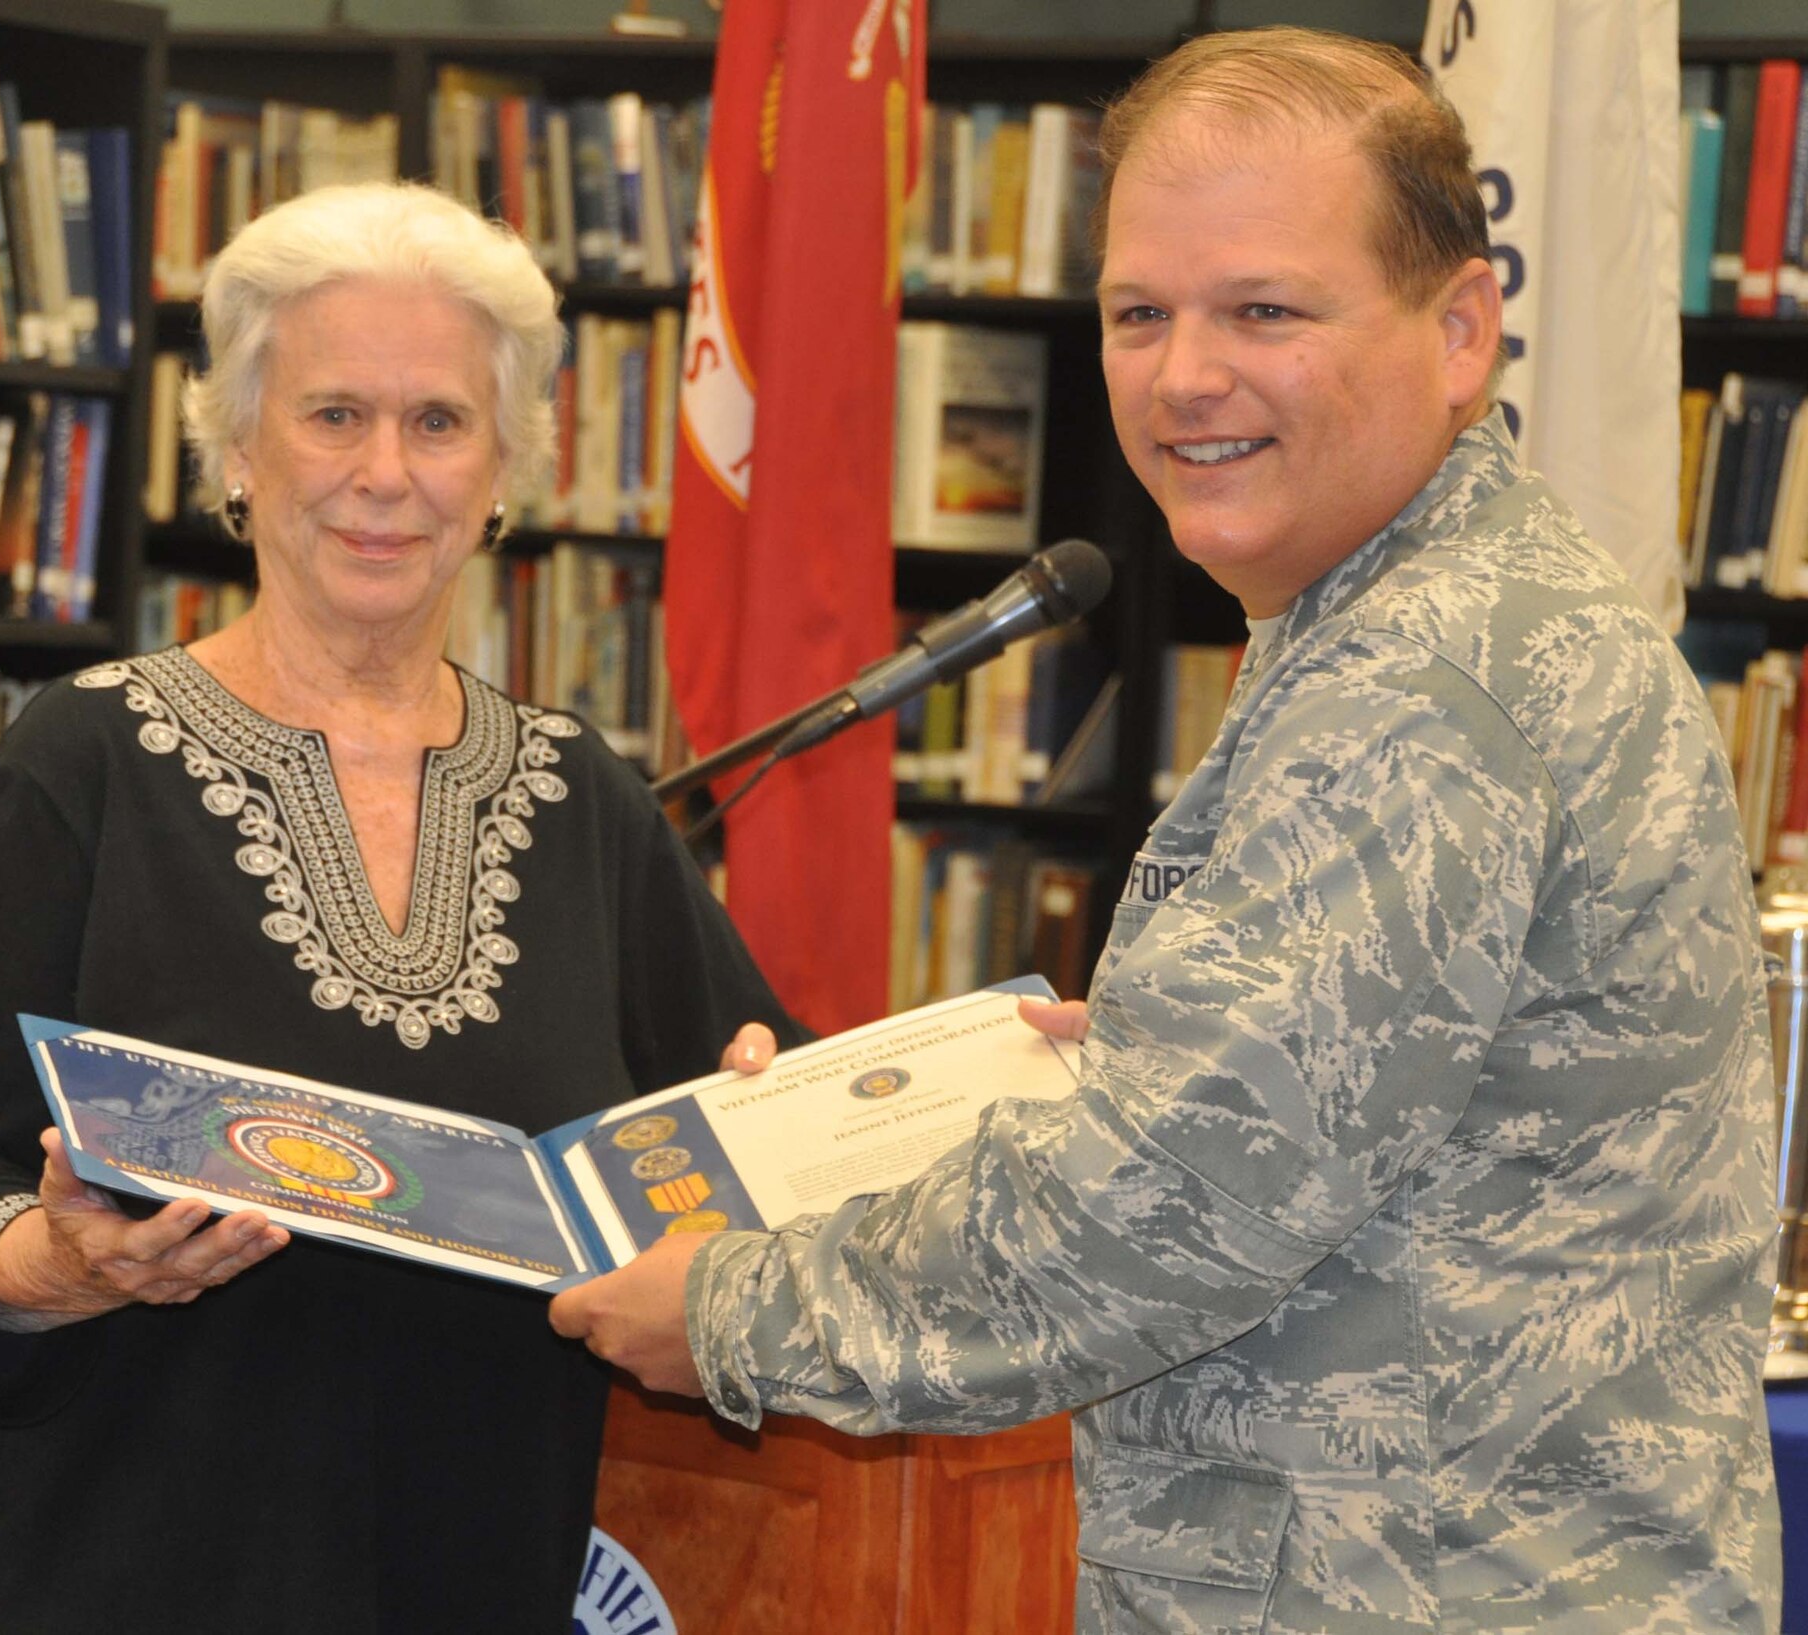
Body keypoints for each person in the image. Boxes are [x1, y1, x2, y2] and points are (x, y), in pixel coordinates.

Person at [551, 28, 1780, 1633]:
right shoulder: (1420, 611)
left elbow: (1152, 1218)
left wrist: (725, 1308)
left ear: (1463, 328)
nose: (1183, 374)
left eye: (1265, 309)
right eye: (1141, 313)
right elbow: (1326, 1125)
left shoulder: (1421, 686)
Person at [0, 182, 797, 1635]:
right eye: (333, 414)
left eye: (438, 423)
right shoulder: (86, 759)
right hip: (123, 1571)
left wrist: (756, 1132)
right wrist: (61, 1263)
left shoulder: (579, 795)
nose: (385, 473)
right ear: (236, 447)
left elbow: (747, 1104)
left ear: (502, 473)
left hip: (477, 1567)